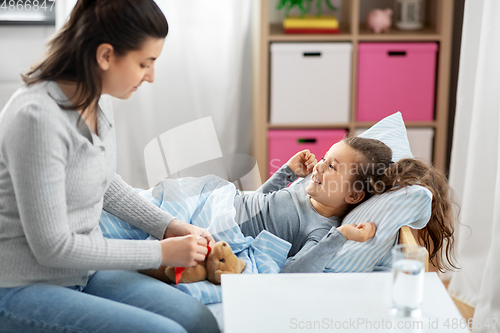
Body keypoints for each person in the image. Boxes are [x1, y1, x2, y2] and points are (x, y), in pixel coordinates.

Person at [0, 0, 219, 332]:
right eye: (145, 63)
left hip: (83, 274)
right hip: (21, 283)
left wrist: (168, 225)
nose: (151, 76)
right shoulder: (36, 118)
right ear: (105, 56)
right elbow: (53, 248)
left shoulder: (96, 99)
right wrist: (160, 253)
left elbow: (104, 182)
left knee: (198, 320)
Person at [236, 136, 457, 273]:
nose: (319, 167)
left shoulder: (319, 229)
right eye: (324, 158)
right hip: (226, 203)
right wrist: (286, 173)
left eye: (332, 167)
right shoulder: (302, 188)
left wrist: (340, 236)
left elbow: (293, 273)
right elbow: (256, 204)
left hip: (222, 225)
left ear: (353, 196)